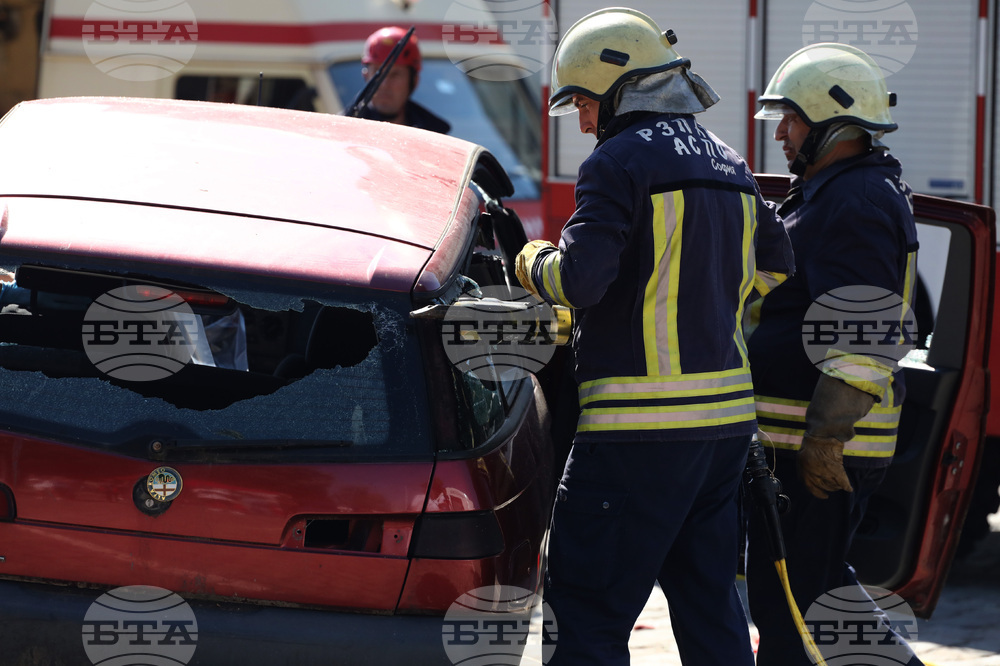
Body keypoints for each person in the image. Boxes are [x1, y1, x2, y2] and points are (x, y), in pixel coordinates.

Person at [514, 8, 794, 665]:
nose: (584, 122)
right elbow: (778, 264)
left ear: (621, 89)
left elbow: (579, 280)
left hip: (635, 435)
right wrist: (708, 305)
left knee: (585, 617)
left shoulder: (616, 162)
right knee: (710, 609)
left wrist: (530, 262)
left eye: (585, 103)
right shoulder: (729, 161)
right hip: (723, 434)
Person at [745, 43, 922, 665]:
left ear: (835, 123)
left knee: (798, 610)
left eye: (792, 120)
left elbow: (862, 331)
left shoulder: (855, 201)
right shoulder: (833, 192)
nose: (781, 134)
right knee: (813, 598)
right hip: (806, 441)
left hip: (824, 449)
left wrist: (826, 436)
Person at [357, 26, 450, 134]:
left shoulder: (434, 136)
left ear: (414, 81)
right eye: (378, 73)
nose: (384, 84)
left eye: (395, 75)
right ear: (366, 76)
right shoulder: (344, 130)